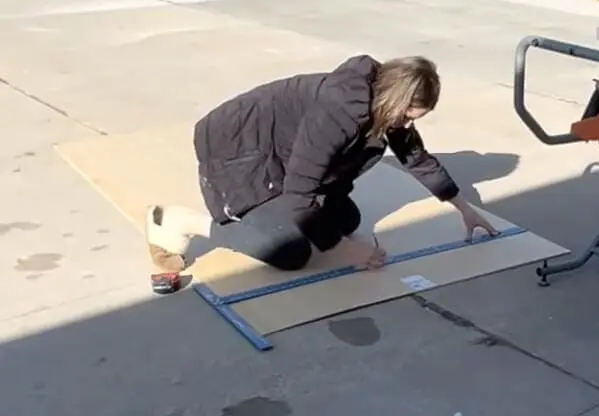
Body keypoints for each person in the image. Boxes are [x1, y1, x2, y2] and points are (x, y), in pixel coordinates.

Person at [146, 55, 496, 275]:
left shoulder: (387, 110)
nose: (407, 125)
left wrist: (463, 208)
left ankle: (295, 220)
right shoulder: (340, 111)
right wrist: (348, 251)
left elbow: (416, 158)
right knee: (290, 252)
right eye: (407, 116)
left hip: (282, 150)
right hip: (239, 150)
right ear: (395, 99)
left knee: (347, 219)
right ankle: (178, 222)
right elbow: (300, 193)